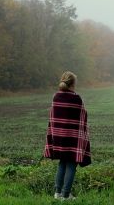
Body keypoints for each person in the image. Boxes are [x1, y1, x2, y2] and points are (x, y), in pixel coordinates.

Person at [44, 71, 91, 200]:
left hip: (59, 137)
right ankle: (65, 195)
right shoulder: (77, 98)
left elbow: (53, 117)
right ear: (73, 84)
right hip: (73, 138)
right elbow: (83, 117)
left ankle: (57, 193)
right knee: (71, 164)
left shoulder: (56, 97)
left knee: (62, 163)